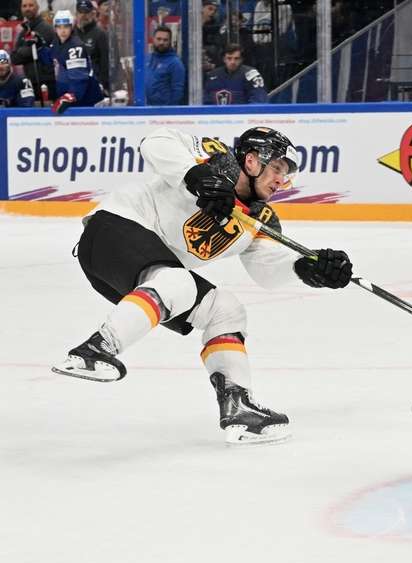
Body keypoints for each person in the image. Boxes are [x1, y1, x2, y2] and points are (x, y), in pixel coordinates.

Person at [51, 126, 354, 446]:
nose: (282, 180)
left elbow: (267, 271)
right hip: (112, 230)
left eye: (287, 174)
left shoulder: (261, 218)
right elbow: (154, 142)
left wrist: (308, 269)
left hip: (144, 277)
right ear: (251, 161)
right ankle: (94, 352)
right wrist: (195, 175)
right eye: (278, 168)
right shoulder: (216, 158)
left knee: (225, 310)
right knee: (176, 281)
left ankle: (239, 409)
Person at [42, 10, 105, 113]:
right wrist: (40, 47)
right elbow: (51, 60)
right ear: (55, 28)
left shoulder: (76, 46)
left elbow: (78, 76)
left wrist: (70, 96)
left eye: (66, 26)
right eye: (59, 27)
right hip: (72, 97)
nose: (62, 31)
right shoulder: (57, 43)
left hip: (86, 99)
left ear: (71, 27)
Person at [11, 0, 55, 100]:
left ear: (37, 7)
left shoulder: (46, 28)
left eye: (31, 5)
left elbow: (38, 51)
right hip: (30, 83)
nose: (27, 8)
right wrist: (27, 50)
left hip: (46, 82)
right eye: (24, 6)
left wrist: (22, 51)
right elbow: (14, 58)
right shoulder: (24, 31)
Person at [146, 25, 185, 105]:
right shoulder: (147, 59)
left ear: (170, 41)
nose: (161, 42)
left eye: (165, 40)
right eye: (159, 39)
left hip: (164, 113)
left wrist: (169, 112)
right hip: (147, 110)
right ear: (153, 39)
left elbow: (178, 91)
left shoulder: (175, 63)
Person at [75, 0, 108, 91]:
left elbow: (105, 62)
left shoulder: (100, 34)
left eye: (86, 12)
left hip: (94, 83)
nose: (83, 15)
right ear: (76, 14)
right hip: (75, 83)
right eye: (80, 12)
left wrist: (102, 83)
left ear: (92, 14)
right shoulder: (72, 33)